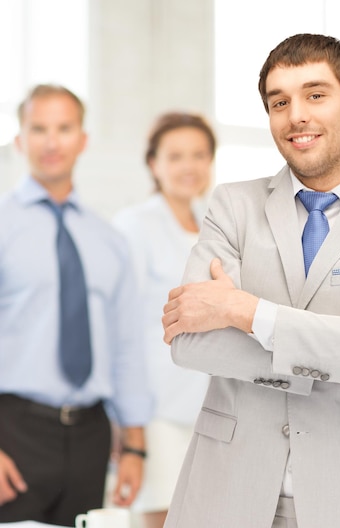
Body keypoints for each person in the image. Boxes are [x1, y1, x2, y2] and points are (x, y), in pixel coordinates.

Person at [160, 33, 340, 528]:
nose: (296, 115)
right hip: (225, 493)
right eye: (279, 102)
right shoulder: (233, 206)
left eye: (316, 95)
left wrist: (244, 312)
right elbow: (189, 342)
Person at [0, 84, 152, 526]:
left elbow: (126, 346)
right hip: (13, 432)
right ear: (20, 140)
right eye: (39, 128)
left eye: (64, 128)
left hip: (92, 436)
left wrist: (136, 448)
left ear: (82, 139)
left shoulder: (109, 240)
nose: (52, 141)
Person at [113, 112, 216, 528]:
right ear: (153, 163)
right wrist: (128, 426)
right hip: (160, 411)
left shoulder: (215, 224)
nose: (188, 166)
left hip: (214, 407)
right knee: (164, 518)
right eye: (175, 156)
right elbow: (122, 328)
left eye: (198, 155)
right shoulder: (134, 226)